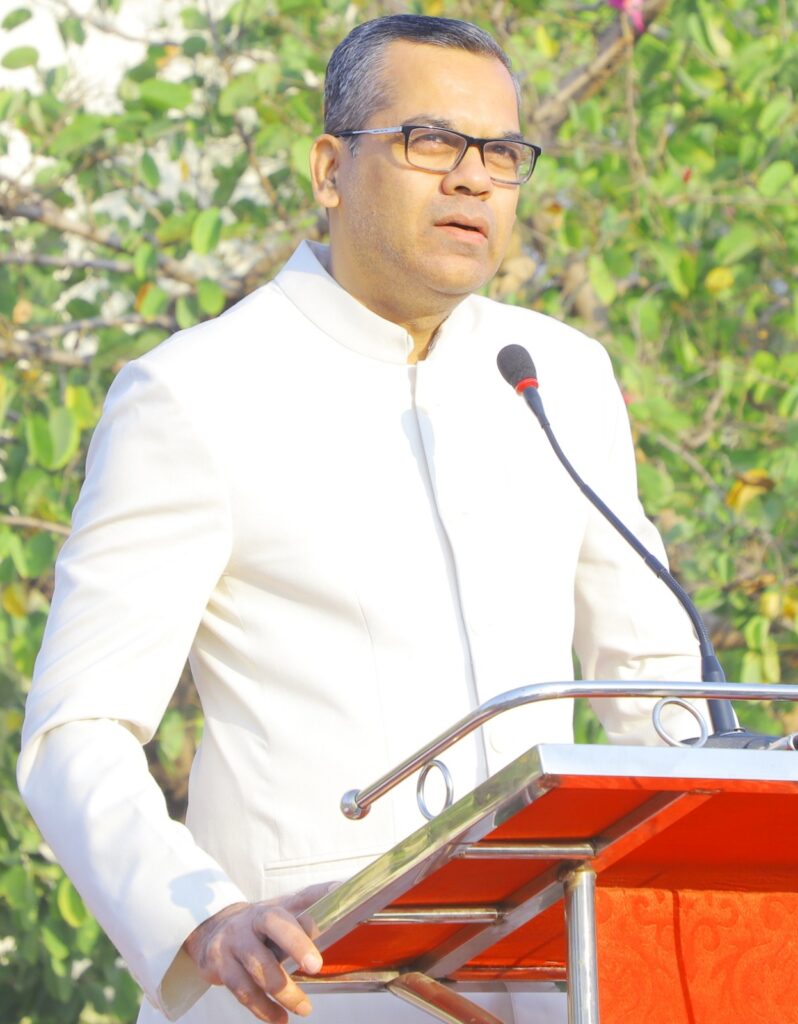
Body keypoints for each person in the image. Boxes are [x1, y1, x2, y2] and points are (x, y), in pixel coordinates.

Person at [18, 14, 706, 1024]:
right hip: (314, 983)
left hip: (564, 978)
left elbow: (656, 689)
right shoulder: (197, 392)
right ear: (331, 169)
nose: (473, 179)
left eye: (502, 154)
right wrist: (205, 921)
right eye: (432, 142)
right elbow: (77, 731)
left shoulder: (558, 374)